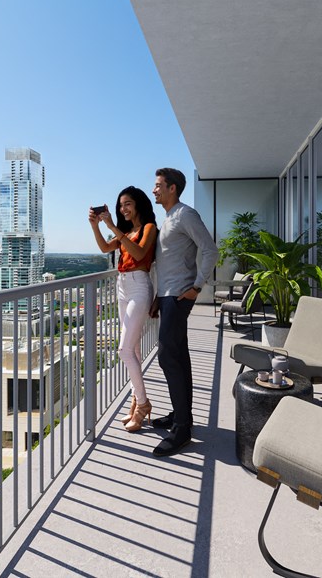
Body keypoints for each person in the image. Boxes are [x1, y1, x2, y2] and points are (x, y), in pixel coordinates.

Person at [147, 167, 219, 457]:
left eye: (158, 185)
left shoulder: (185, 215)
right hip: (167, 296)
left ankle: (182, 429)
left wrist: (197, 287)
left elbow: (211, 250)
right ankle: (181, 417)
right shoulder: (168, 219)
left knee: (167, 355)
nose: (154, 190)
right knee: (178, 356)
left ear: (172, 188)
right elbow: (167, 264)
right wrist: (157, 296)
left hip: (179, 296)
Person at [89, 186, 158, 431]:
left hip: (139, 285)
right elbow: (105, 249)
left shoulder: (149, 228)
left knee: (124, 350)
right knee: (134, 349)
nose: (123, 209)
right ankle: (135, 402)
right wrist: (96, 226)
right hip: (122, 286)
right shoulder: (126, 231)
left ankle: (143, 404)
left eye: (127, 203)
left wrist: (112, 227)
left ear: (138, 204)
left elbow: (139, 253)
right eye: (120, 205)